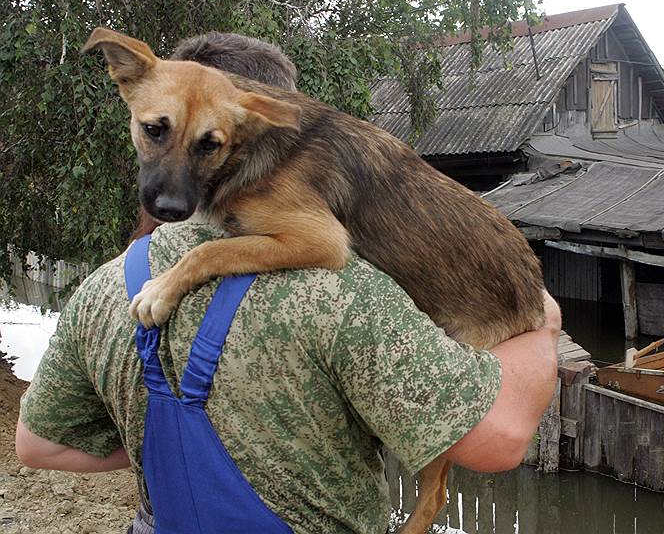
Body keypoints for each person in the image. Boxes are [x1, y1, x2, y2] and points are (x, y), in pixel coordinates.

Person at [15, 33, 560, 534]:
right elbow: (501, 441)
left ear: (253, 125)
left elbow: (37, 447)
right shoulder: (345, 298)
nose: (173, 180)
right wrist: (546, 324)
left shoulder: (102, 290)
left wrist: (158, 441)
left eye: (208, 144)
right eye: (157, 131)